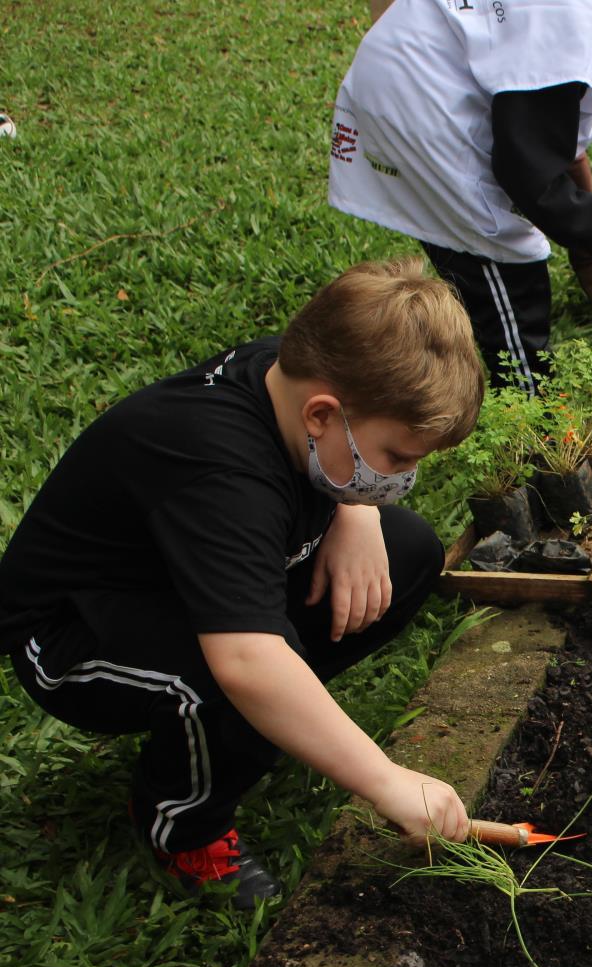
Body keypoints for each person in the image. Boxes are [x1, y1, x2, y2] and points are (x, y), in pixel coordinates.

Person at [0, 258, 484, 909]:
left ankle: (255, 727)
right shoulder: (220, 474)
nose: (403, 477)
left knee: (408, 552)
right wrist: (386, 779)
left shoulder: (291, 372)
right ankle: (182, 826)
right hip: (72, 635)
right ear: (321, 415)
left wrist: (358, 509)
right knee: (231, 681)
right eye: (397, 457)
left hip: (178, 582)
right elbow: (246, 663)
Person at [328, 0, 592, 394]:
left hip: (411, 72)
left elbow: (543, 127)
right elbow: (524, 170)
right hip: (425, 106)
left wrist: (588, 223)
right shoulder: (574, 28)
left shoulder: (581, 15)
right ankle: (530, 421)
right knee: (503, 262)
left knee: (472, 262)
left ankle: (452, 354)